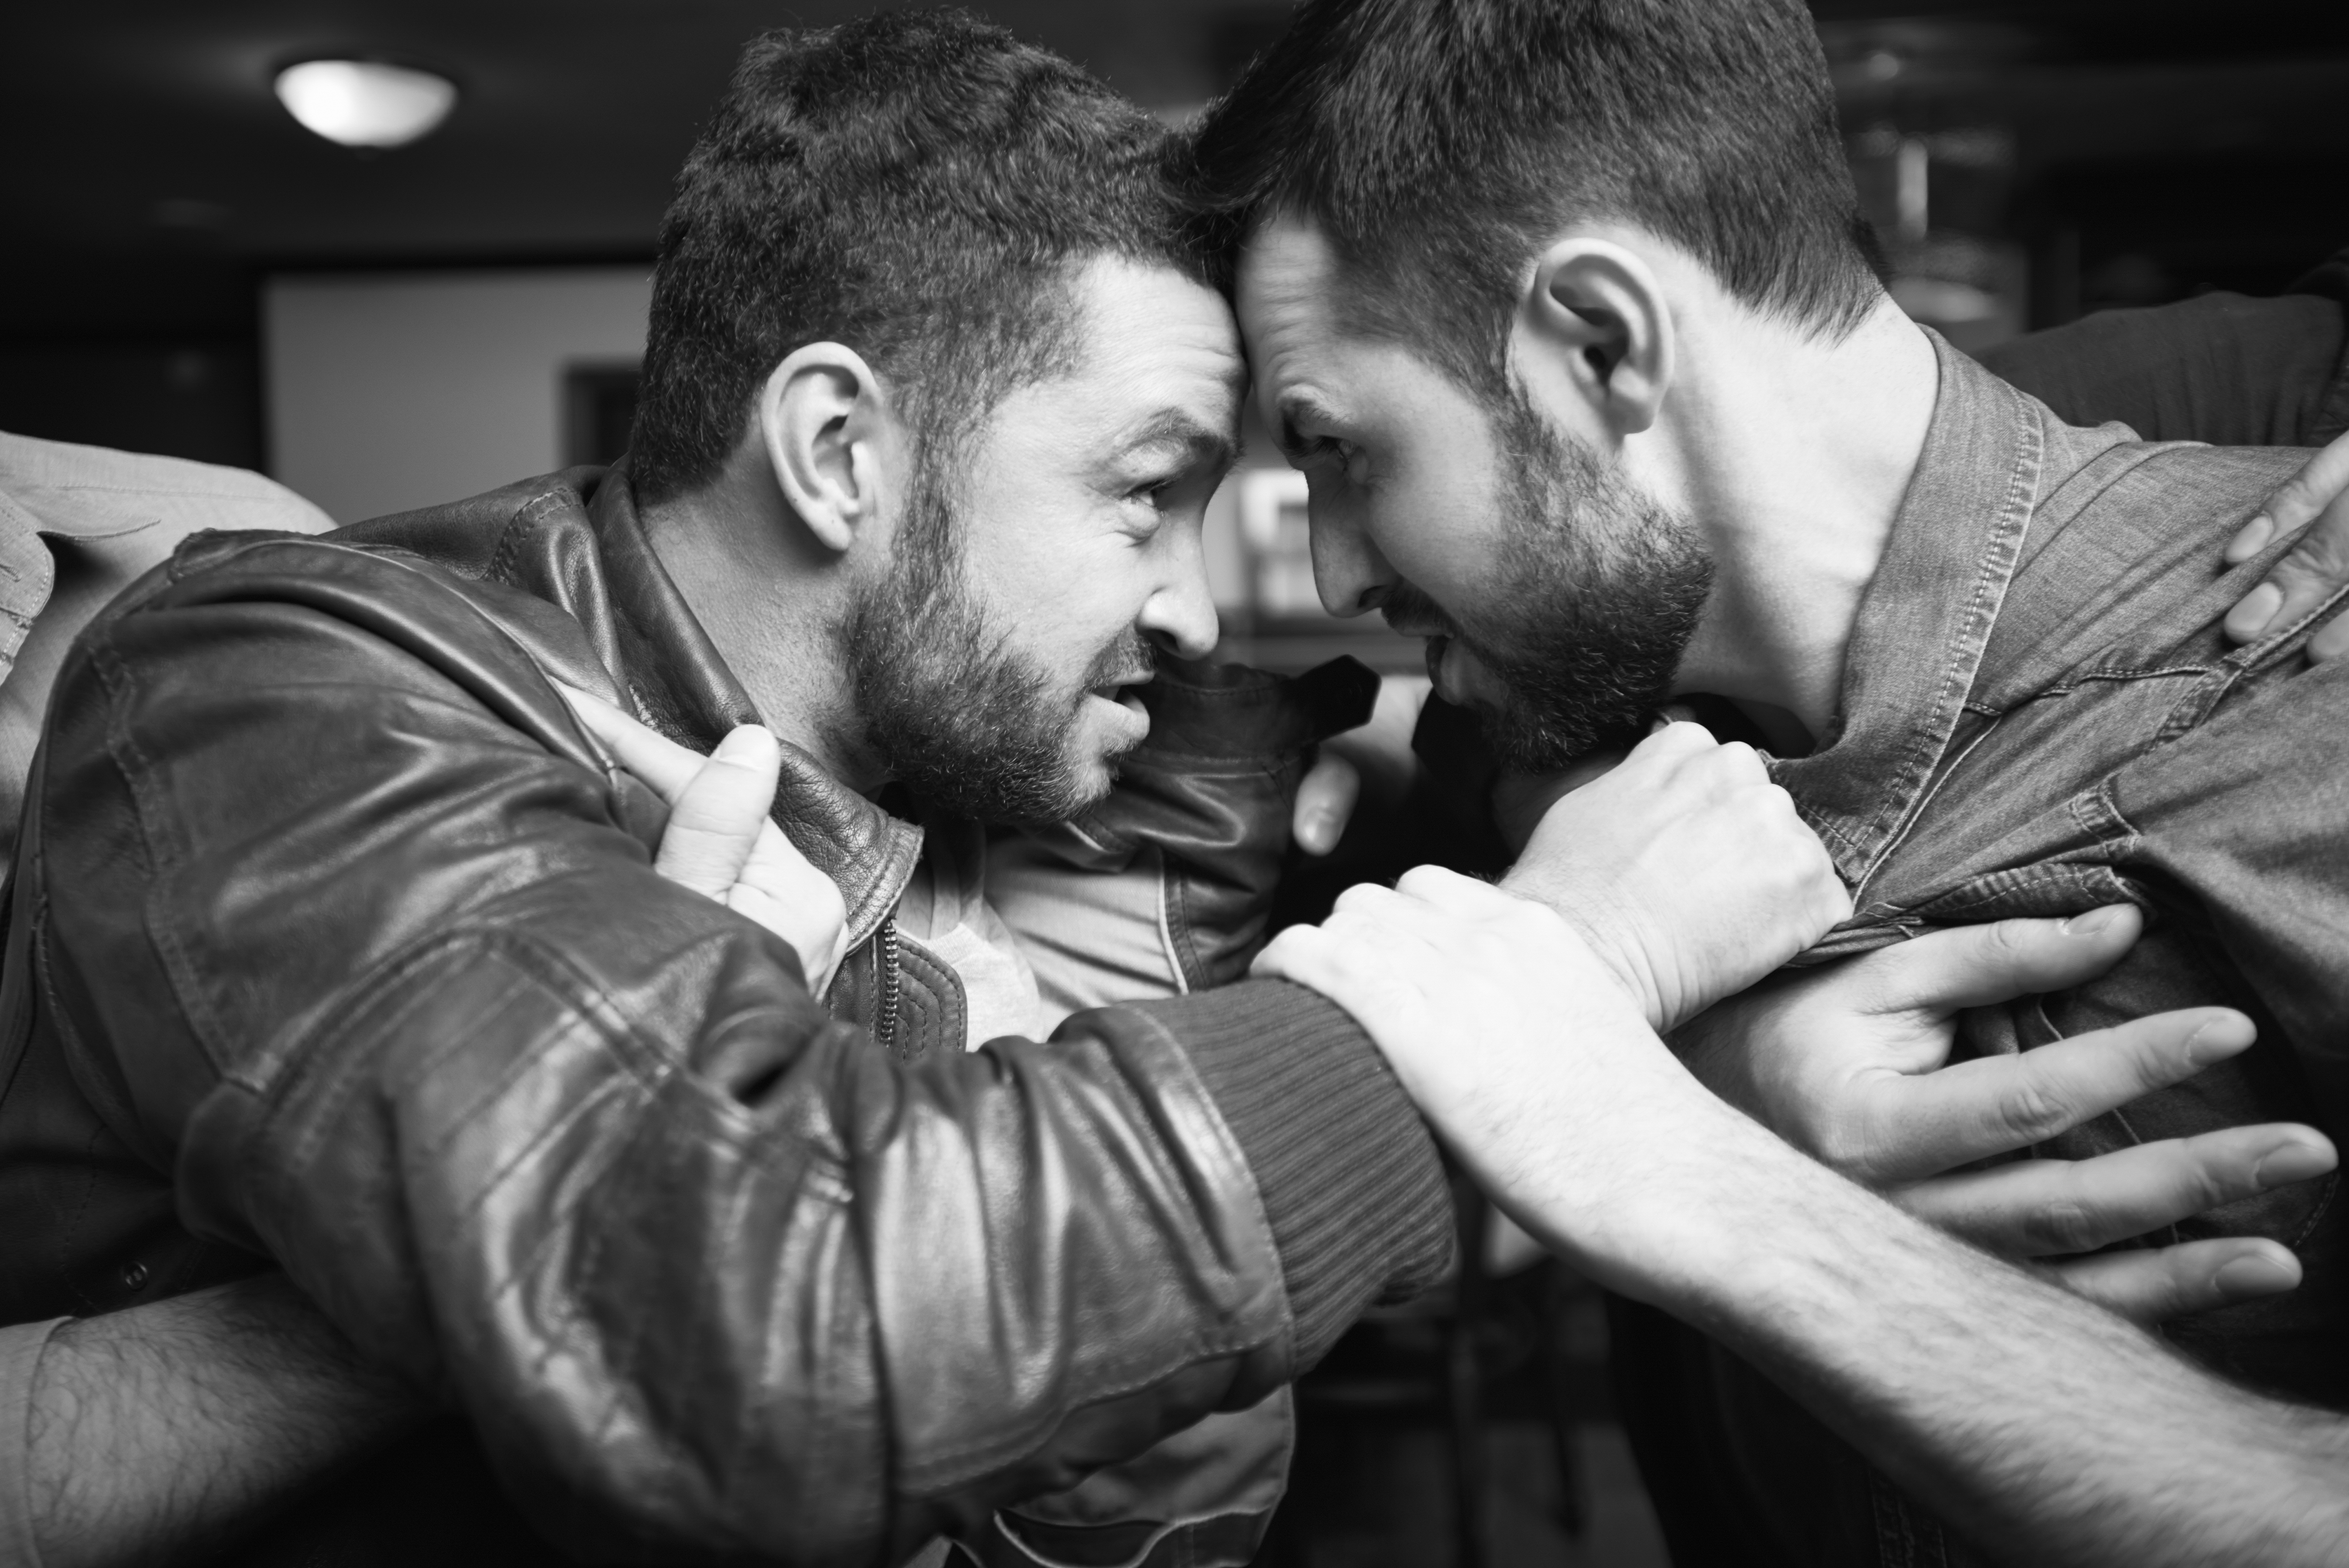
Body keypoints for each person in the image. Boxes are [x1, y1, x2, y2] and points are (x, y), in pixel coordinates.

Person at [3, 16, 2335, 1568]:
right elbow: (795, 1331)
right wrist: (1571, 1029)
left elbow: (1123, 1520)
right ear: (839, 452)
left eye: (1310, 465)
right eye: (1167, 487)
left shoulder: (1088, 778)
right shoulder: (325, 678)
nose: (1234, 600)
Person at [1187, 0, 2349, 1561]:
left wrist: (1676, 1163)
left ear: (1598, 342)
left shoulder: (2289, 700)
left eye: (1339, 449)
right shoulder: (1603, 702)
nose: (1336, 568)